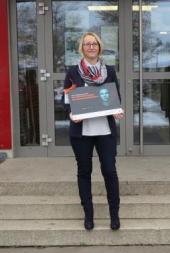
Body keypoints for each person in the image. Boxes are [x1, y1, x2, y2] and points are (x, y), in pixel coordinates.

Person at [63, 32, 124, 231]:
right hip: (82, 131)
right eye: (87, 44)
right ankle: (88, 215)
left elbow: (116, 96)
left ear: (99, 47)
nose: (91, 47)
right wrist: (71, 114)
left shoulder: (109, 71)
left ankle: (114, 215)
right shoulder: (73, 72)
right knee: (84, 172)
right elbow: (66, 99)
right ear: (82, 48)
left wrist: (117, 110)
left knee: (109, 171)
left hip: (105, 130)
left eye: (94, 44)